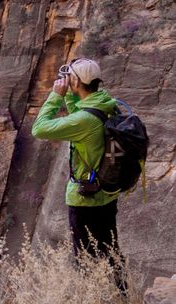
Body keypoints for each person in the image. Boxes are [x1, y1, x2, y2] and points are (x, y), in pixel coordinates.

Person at [31, 57, 126, 292]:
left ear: (75, 80)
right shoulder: (107, 104)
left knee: (84, 256)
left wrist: (55, 96)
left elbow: (39, 129)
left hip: (85, 198)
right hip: (107, 191)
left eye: (70, 77)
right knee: (110, 249)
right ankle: (121, 292)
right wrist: (71, 96)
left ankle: (91, 300)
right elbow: (83, 112)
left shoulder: (84, 121)